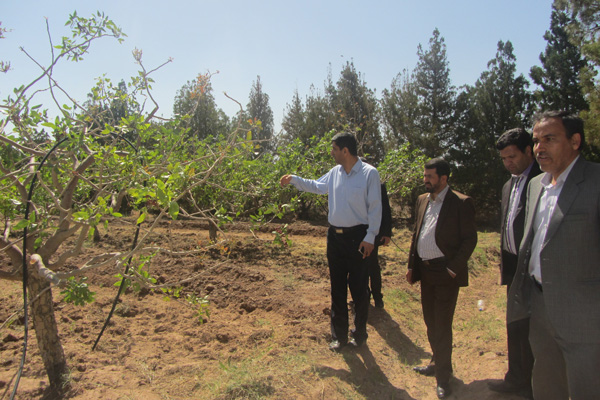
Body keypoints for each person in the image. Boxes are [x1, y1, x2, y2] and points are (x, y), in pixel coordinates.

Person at [508, 111, 600, 400]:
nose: (539, 148)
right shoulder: (537, 185)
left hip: (585, 315)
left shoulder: (596, 181)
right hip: (540, 306)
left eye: (549, 139)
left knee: (587, 388)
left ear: (575, 141)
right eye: (536, 141)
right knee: (547, 385)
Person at [280, 132, 382, 352]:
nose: (331, 153)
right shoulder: (335, 173)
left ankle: (360, 334)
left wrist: (370, 237)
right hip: (335, 238)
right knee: (337, 287)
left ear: (345, 151)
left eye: (334, 149)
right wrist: (294, 180)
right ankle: (339, 336)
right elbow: (317, 186)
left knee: (358, 288)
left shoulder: (369, 174)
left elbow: (375, 208)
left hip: (359, 238)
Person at [406, 158, 477, 399]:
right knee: (430, 321)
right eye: (425, 175)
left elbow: (470, 239)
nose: (425, 180)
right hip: (425, 272)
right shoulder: (422, 200)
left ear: (444, 178)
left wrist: (453, 269)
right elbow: (417, 234)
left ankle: (443, 379)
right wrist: (411, 266)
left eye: (430, 177)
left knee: (442, 326)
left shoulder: (461, 203)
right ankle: (437, 363)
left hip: (445, 273)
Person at [489, 128, 540, 397]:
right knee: (515, 324)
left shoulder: (542, 180)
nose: (508, 163)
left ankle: (534, 385)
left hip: (535, 270)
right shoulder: (509, 185)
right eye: (504, 159)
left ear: (528, 151)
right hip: (513, 267)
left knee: (535, 330)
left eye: (512, 156)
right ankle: (515, 378)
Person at [367, 183, 392, 309]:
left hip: (374, 232)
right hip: (355, 233)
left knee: (372, 265)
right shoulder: (350, 183)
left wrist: (387, 233)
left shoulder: (378, 185)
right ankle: (363, 296)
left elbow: (386, 209)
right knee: (358, 267)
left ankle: (377, 297)